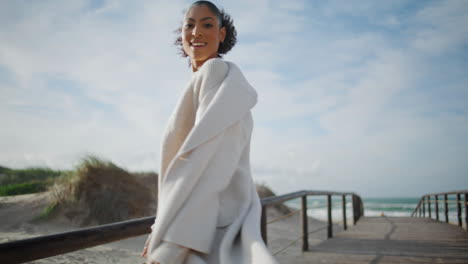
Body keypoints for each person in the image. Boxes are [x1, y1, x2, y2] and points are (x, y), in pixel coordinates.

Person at [141, 1, 278, 263]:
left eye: (207, 25)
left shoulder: (215, 73)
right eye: (189, 25)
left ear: (221, 34)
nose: (196, 32)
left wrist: (174, 242)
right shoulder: (212, 81)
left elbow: (211, 166)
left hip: (205, 231)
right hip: (213, 223)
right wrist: (163, 223)